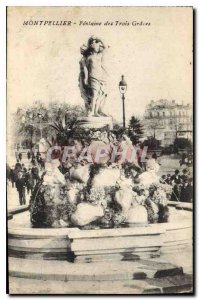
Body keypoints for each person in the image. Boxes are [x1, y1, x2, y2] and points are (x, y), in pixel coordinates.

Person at [79, 36, 108, 116]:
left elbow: (105, 47)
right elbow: (85, 69)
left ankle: (96, 111)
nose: (97, 46)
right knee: (94, 94)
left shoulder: (99, 55)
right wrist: (86, 78)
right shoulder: (88, 57)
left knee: (100, 94)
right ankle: (92, 111)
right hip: (93, 77)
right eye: (93, 44)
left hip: (101, 77)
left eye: (97, 44)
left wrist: (99, 38)